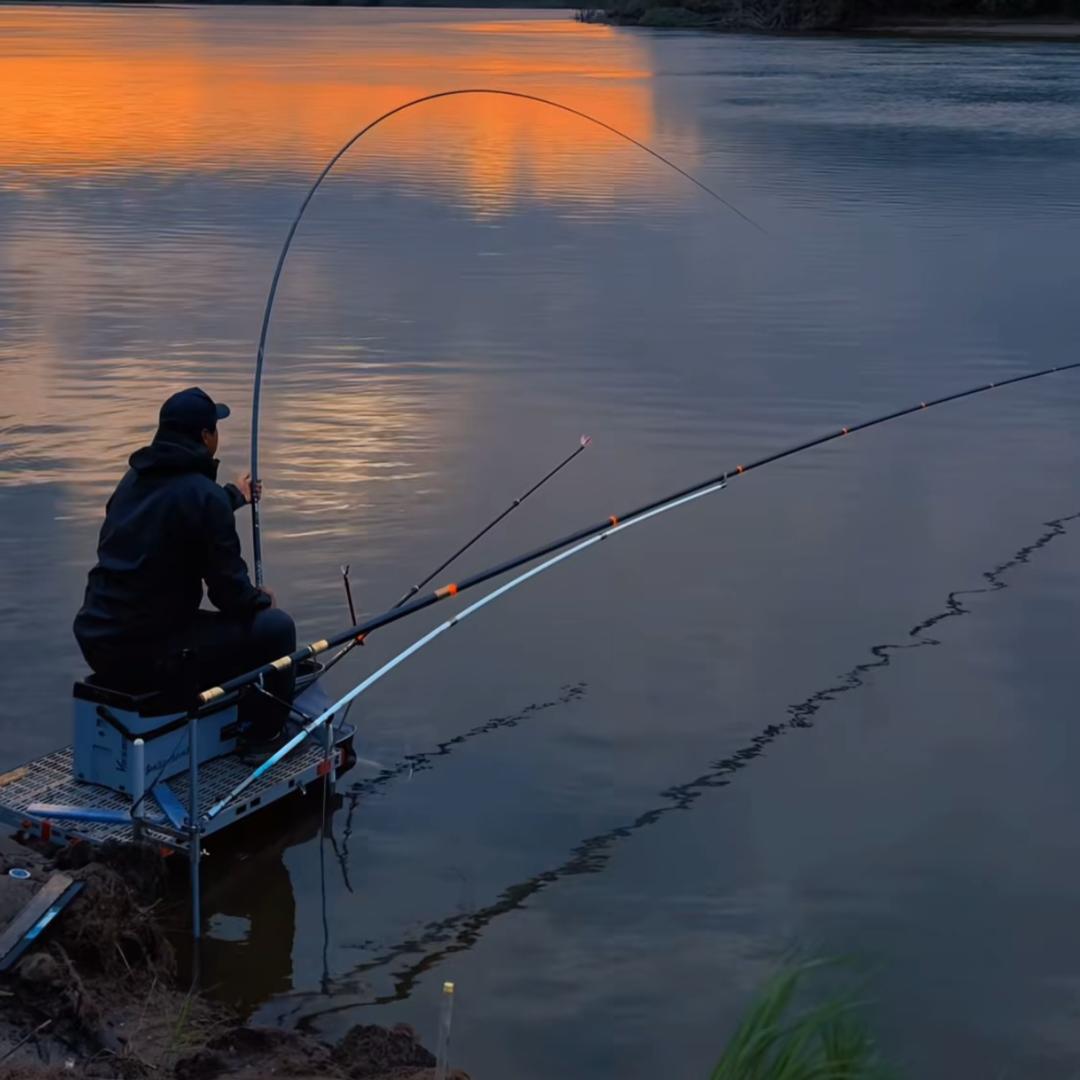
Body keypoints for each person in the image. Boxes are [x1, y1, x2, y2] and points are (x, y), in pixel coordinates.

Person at [73, 387, 294, 757]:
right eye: (215, 430)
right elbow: (230, 596)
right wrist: (261, 600)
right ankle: (264, 738)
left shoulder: (132, 482)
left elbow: (177, 509)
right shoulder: (202, 497)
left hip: (99, 640)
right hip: (150, 653)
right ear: (206, 437)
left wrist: (234, 496)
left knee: (205, 626)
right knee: (276, 628)